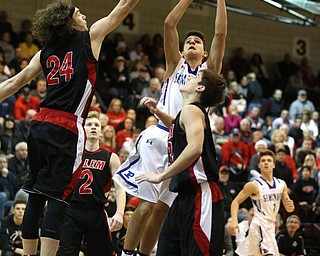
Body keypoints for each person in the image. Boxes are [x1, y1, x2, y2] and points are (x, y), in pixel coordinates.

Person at [0, 1, 140, 255]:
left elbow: (14, 82)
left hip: (40, 123)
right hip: (66, 126)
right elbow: (123, 7)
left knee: (35, 194)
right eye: (78, 13)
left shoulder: (45, 51)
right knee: (58, 198)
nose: (84, 15)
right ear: (67, 21)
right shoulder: (89, 38)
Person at [113, 1, 227, 255]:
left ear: (206, 53)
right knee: (146, 205)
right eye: (188, 41)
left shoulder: (208, 75)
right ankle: (127, 252)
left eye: (198, 42)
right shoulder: (175, 64)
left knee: (163, 209)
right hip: (161, 135)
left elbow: (220, 34)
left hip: (182, 143)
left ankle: (143, 253)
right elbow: (169, 23)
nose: (192, 43)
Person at [135, 69, 227, 255]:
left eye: (196, 77)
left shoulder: (192, 110)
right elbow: (178, 126)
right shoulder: (188, 113)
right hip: (183, 198)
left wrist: (161, 176)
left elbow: (195, 148)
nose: (191, 77)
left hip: (201, 195)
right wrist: (158, 112)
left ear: (200, 88)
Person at [57, 111, 125, 256]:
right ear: (82, 129)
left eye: (96, 125)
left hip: (96, 210)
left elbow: (120, 188)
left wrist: (119, 213)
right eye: (89, 124)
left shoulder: (110, 157)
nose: (93, 127)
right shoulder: (72, 154)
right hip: (71, 209)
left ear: (101, 131)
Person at [228, 149, 295, 256]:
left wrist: (290, 206)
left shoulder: (281, 184)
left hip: (271, 226)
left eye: (269, 160)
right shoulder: (253, 185)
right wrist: (234, 221)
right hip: (259, 226)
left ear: (273, 164)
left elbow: (289, 209)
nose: (266, 162)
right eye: (263, 161)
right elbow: (235, 202)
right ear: (259, 165)